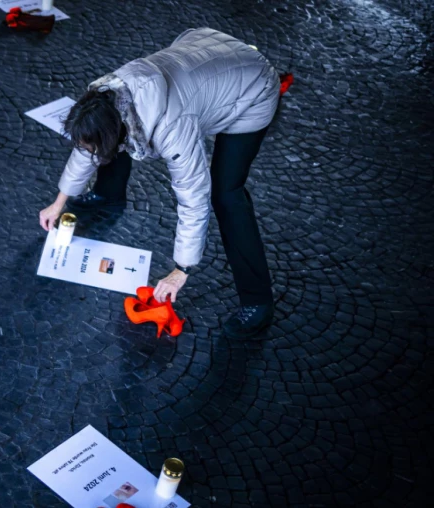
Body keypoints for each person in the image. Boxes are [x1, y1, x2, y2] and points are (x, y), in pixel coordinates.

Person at [38, 28, 280, 338]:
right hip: (208, 55)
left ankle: (258, 302)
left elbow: (194, 196)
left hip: (252, 87)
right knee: (110, 141)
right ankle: (108, 195)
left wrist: (182, 270)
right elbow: (90, 145)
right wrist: (59, 202)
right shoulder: (106, 96)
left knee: (226, 193)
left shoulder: (171, 126)